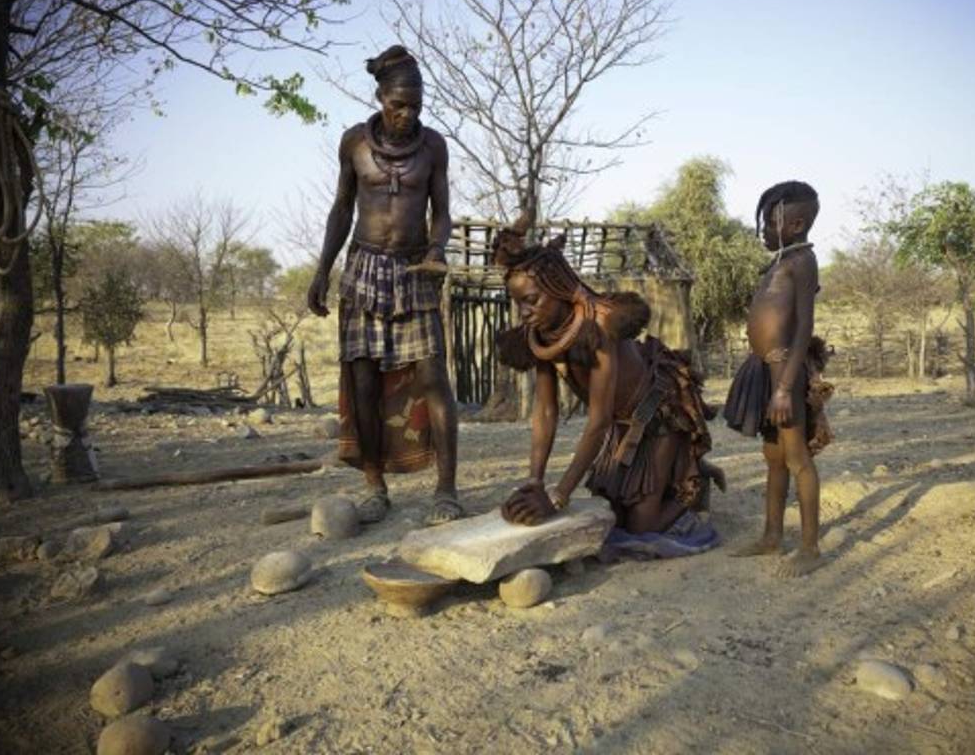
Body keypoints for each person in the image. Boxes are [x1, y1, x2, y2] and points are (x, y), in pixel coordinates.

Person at [493, 226, 725, 556]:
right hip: (622, 424)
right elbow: (545, 412)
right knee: (615, 513)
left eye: (531, 301)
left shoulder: (598, 328)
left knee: (642, 524)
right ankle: (679, 474)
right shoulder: (541, 336)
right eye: (518, 304)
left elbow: (598, 421)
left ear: (560, 290)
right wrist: (534, 482)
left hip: (659, 411)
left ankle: (693, 481)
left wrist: (559, 496)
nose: (524, 312)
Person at [306, 45, 463, 525]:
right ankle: (375, 487)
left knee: (434, 378)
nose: (407, 114)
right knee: (363, 384)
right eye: (398, 104)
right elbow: (341, 210)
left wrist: (437, 251)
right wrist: (321, 271)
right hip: (363, 270)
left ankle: (446, 490)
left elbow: (442, 212)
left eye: (415, 105)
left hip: (414, 270)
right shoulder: (354, 143)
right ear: (380, 98)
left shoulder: (433, 146)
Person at [723, 180, 834, 576]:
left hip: (784, 370)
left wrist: (786, 387)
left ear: (798, 222)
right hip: (764, 368)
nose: (764, 231)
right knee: (773, 457)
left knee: (797, 458)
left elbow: (803, 327)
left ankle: (809, 548)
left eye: (772, 222)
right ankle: (771, 536)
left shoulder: (802, 262)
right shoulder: (778, 261)